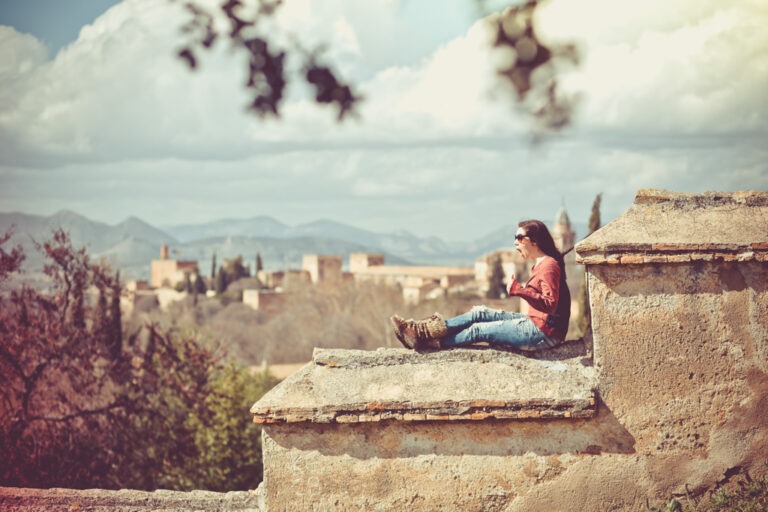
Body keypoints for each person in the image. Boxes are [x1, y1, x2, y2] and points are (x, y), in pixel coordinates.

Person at [390, 219, 571, 351]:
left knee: (478, 330)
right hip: (533, 323)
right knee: (480, 313)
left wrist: (520, 290)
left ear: (534, 241)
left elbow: (550, 304)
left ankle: (428, 342)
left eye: (519, 237)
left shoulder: (549, 266)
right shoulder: (542, 263)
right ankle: (422, 331)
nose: (515, 242)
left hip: (543, 334)